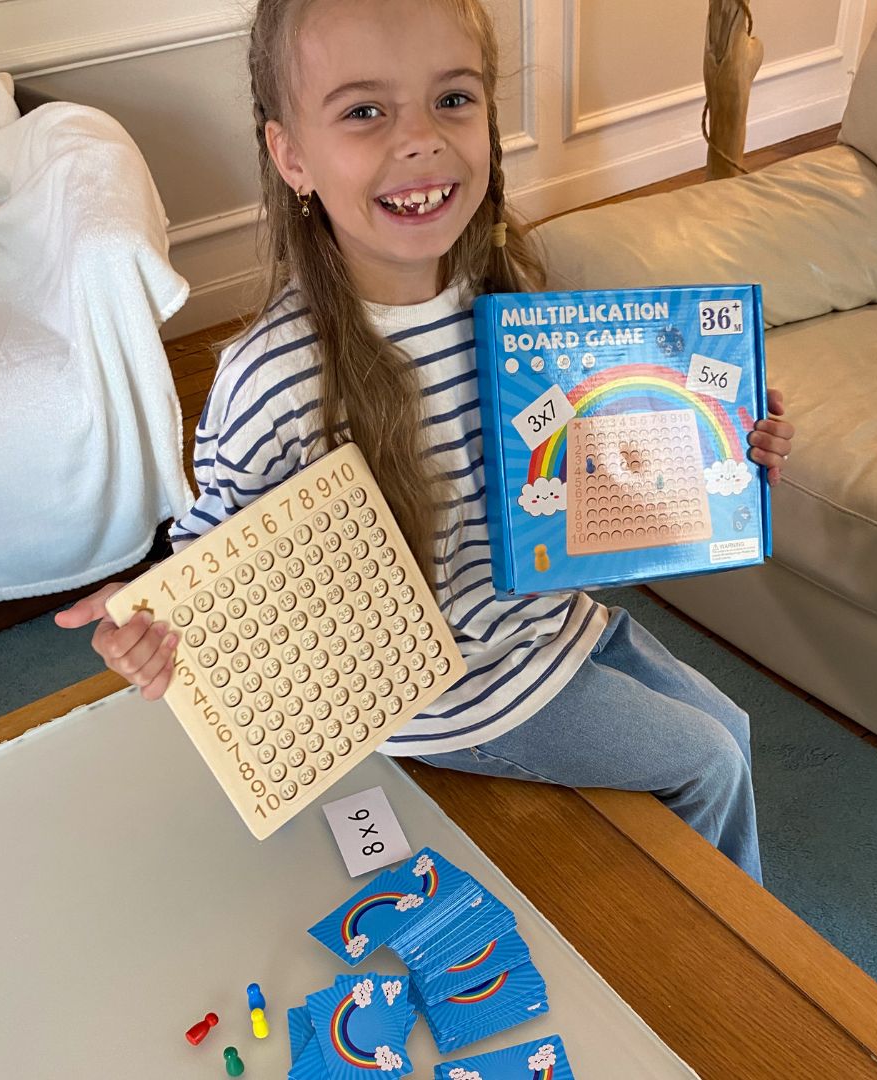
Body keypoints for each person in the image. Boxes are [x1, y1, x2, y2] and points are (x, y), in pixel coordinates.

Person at [56, 0, 794, 884]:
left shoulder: (510, 300)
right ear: (291, 154)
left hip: (551, 625)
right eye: (365, 111)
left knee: (735, 732)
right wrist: (152, 620)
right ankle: (728, 966)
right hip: (463, 692)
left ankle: (731, 923)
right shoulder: (276, 379)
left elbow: (587, 484)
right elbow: (218, 564)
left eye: (453, 99)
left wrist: (726, 456)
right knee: (706, 759)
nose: (420, 141)